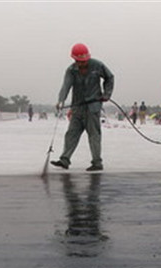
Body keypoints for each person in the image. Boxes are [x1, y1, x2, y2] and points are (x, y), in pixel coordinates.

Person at [51, 43, 114, 172]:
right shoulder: (71, 70)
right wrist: (61, 101)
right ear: (74, 59)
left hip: (93, 107)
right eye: (79, 61)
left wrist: (106, 94)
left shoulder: (97, 65)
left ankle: (97, 162)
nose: (82, 63)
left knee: (94, 135)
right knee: (71, 134)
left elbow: (110, 78)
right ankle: (64, 160)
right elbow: (66, 86)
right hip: (78, 108)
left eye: (84, 61)